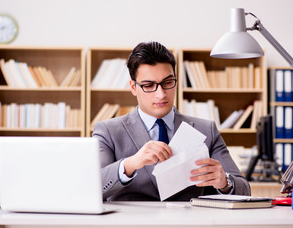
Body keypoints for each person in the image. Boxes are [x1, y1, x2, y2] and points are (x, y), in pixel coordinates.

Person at [93, 41, 250, 201]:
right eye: (149, 85)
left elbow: (244, 190)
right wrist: (130, 164)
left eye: (168, 83)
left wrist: (225, 183)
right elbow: (92, 189)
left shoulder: (206, 129)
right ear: (133, 87)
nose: (161, 94)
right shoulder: (108, 131)